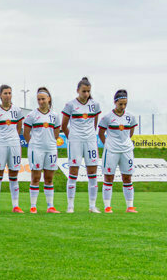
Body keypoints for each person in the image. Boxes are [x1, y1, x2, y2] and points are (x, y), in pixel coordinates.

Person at [61, 77, 102, 213]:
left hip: (90, 141)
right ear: (77, 90)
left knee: (92, 173)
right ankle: (70, 206)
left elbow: (94, 123)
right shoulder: (70, 105)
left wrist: (90, 135)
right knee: (73, 173)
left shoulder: (94, 105)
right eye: (84, 91)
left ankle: (92, 206)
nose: (86, 94)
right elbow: (64, 125)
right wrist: (72, 138)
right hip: (75, 142)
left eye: (88, 91)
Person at [98, 90, 138, 213]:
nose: (123, 106)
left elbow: (130, 132)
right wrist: (108, 144)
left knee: (127, 178)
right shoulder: (107, 117)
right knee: (109, 177)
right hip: (111, 151)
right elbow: (101, 133)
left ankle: (130, 207)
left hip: (126, 151)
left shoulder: (130, 117)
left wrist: (125, 142)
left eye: (125, 104)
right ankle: (107, 207)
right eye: (120, 104)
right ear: (115, 102)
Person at [23, 87, 61, 214]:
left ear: (48, 99)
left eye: (43, 99)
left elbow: (56, 134)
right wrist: (33, 145)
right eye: (39, 99)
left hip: (50, 149)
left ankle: (50, 206)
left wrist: (49, 142)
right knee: (36, 177)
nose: (41, 102)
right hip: (36, 149)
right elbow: (26, 133)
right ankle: (33, 206)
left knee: (49, 178)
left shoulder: (54, 116)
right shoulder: (31, 115)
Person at [0, 85, 24, 213]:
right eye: (5, 93)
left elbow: (19, 127)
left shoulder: (17, 110)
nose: (8, 95)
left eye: (9, 93)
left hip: (14, 145)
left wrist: (13, 138)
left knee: (14, 175)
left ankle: (15, 206)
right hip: (0, 145)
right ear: (0, 95)